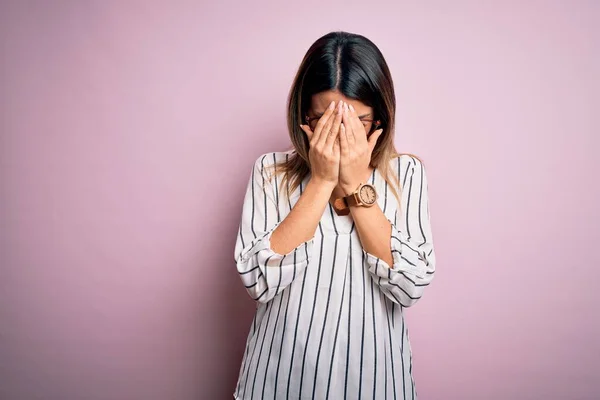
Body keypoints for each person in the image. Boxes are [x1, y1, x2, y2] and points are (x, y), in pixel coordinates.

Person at [232, 31, 436, 400]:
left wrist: (357, 183)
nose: (341, 134)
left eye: (356, 120)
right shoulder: (269, 172)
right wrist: (322, 180)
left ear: (379, 120)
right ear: (304, 117)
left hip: (375, 383)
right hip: (278, 381)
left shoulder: (407, 174)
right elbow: (258, 281)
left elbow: (410, 285)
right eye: (326, 120)